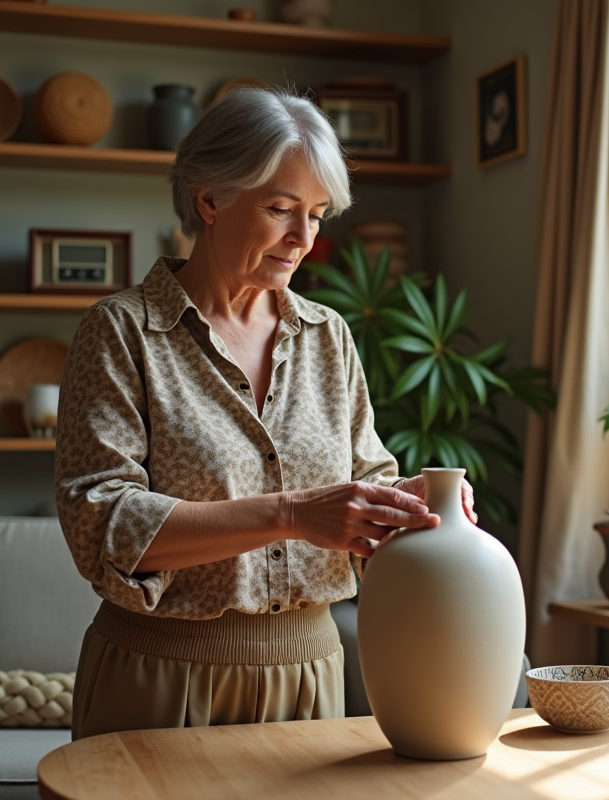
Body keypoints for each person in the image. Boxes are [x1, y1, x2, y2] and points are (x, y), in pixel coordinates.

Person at [55, 86, 474, 739]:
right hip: (160, 679)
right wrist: (294, 514)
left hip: (310, 676)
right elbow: (101, 522)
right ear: (210, 200)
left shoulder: (328, 336)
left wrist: (405, 505)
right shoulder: (121, 332)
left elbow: (365, 483)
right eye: (281, 209)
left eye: (317, 214)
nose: (304, 238)